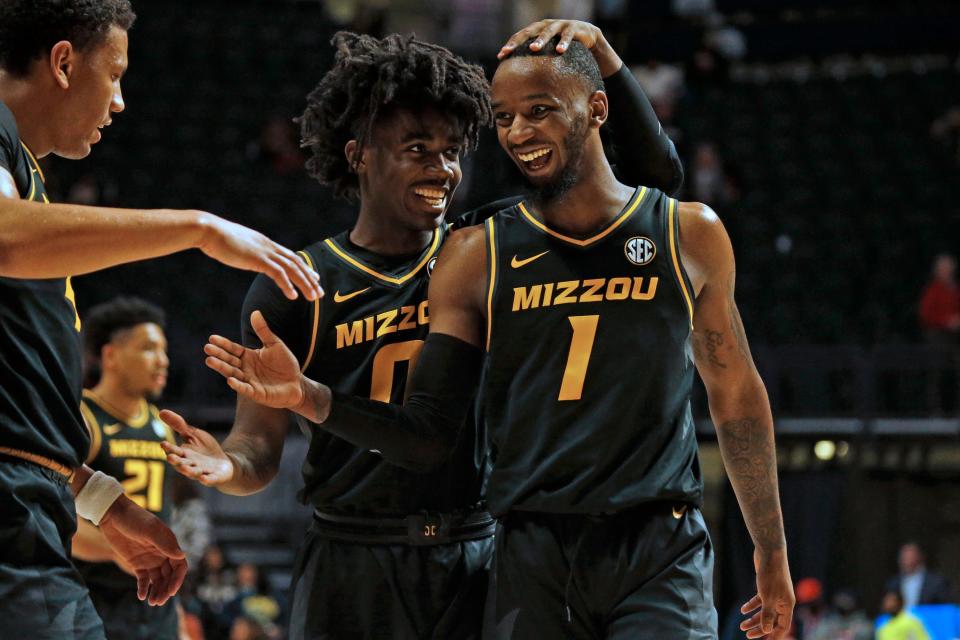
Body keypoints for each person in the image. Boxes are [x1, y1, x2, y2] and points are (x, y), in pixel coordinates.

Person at [198, 34, 795, 639]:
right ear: (360, 155)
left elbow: (650, 184)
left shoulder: (488, 242)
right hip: (386, 547)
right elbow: (304, 443)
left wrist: (603, 57)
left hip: (499, 545)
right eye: (418, 149)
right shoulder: (355, 272)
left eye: (452, 150)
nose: (444, 167)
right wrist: (245, 449)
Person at [0, 2, 319, 638]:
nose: (119, 101)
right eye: (114, 74)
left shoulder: (25, 173)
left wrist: (103, 503)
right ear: (63, 62)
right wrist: (198, 228)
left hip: (34, 504)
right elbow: (4, 239)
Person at [70, 297, 179, 639]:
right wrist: (115, 549)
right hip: (91, 596)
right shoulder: (82, 417)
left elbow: (166, 518)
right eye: (148, 348)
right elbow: (54, 516)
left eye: (163, 350)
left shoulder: (164, 427)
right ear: (110, 355)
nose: (162, 361)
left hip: (154, 606)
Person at [885, 543, 954, 609]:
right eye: (904, 558)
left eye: (910, 557)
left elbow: (946, 608)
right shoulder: (894, 583)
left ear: (919, 557)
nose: (906, 561)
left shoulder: (937, 582)